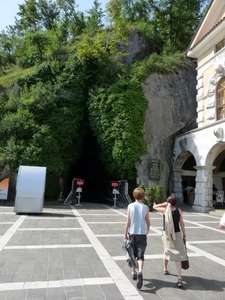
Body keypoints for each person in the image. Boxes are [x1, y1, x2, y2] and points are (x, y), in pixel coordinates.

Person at [153, 195, 187, 288]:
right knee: (178, 255)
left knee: (166, 250)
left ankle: (164, 268)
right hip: (177, 234)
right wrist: (184, 235)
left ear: (167, 202)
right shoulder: (178, 211)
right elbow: (182, 224)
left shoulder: (164, 210)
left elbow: (154, 207)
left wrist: (163, 204)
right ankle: (179, 278)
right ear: (175, 202)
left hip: (167, 234)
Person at [124, 187, 150, 290]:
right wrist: (147, 230)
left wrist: (125, 234)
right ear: (143, 196)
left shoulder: (130, 206)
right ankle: (140, 271)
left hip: (132, 233)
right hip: (142, 233)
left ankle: (133, 272)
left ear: (134, 195)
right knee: (140, 254)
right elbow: (148, 221)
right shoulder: (146, 207)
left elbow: (128, 221)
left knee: (132, 254)